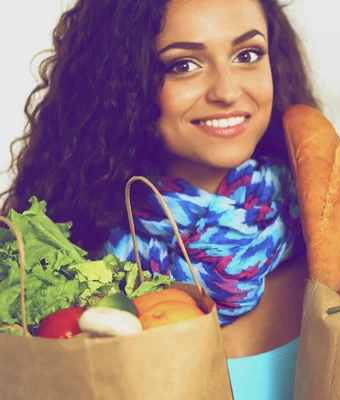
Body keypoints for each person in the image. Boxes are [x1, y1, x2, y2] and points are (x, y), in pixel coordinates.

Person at [1, 0, 318, 398]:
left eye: (247, 55)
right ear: (120, 82)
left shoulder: (329, 240)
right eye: (183, 65)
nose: (228, 90)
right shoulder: (68, 270)